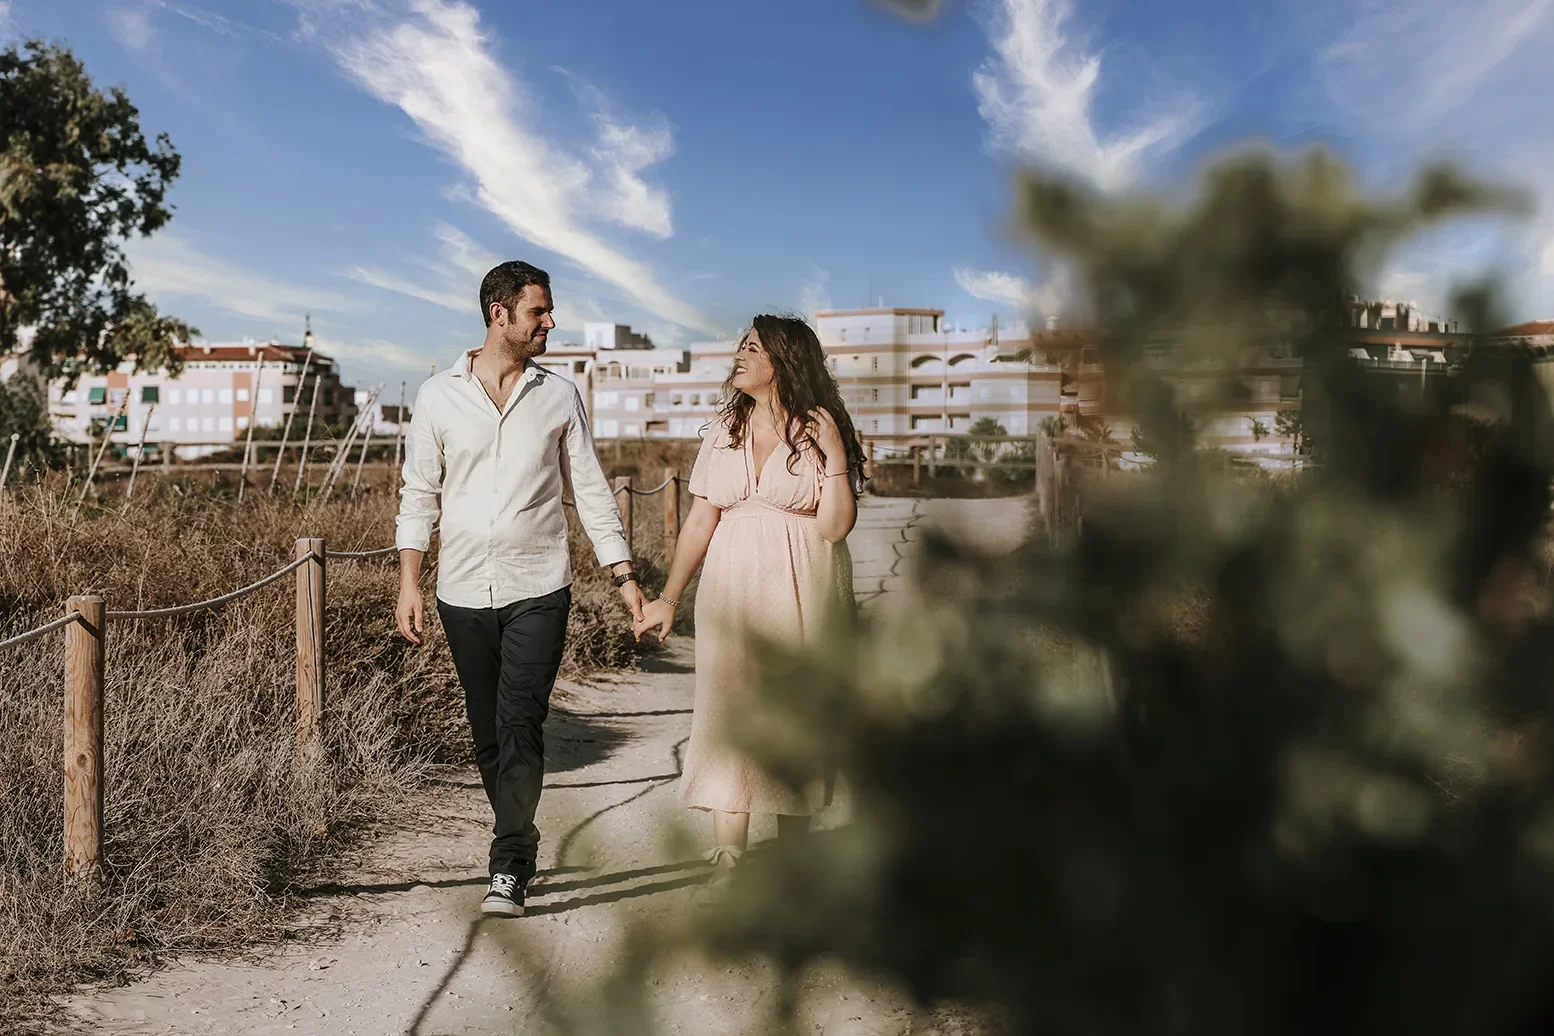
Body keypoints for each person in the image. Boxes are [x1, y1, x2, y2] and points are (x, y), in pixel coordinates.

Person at [395, 260, 646, 917]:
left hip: (540, 584)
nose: (550, 322)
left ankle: (507, 865)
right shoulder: (437, 397)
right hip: (460, 591)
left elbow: (589, 490)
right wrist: (409, 582)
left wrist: (623, 575)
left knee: (520, 721)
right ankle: (522, 831)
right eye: (539, 311)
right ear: (498, 313)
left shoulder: (559, 396)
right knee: (486, 731)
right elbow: (418, 494)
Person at [634, 314, 863, 894]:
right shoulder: (724, 427)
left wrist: (834, 454)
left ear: (782, 361)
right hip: (730, 586)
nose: (738, 354)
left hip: (802, 582)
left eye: (752, 347)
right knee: (726, 707)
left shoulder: (821, 427)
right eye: (740, 344)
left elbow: (836, 528)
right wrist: (668, 597)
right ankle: (727, 857)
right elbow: (700, 519)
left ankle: (794, 856)